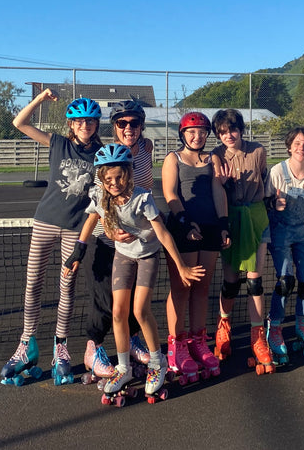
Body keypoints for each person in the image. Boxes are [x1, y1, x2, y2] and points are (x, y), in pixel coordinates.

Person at [64, 143, 205, 398]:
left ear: (128, 174)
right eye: (108, 179)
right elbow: (90, 221)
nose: (114, 183)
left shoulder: (142, 197)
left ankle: (156, 362)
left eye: (119, 177)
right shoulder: (99, 195)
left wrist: (181, 266)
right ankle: (124, 367)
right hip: (123, 256)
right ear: (102, 179)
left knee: (140, 310)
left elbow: (161, 231)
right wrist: (78, 252)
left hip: (147, 256)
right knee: (118, 311)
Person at [0, 89, 103, 386]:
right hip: (45, 222)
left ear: (96, 125)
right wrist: (41, 100)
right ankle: (26, 343)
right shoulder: (58, 143)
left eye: (91, 121)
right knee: (33, 282)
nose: (85, 125)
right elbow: (20, 123)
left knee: (66, 287)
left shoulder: (99, 154)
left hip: (75, 228)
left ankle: (61, 347)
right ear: (71, 124)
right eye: (80, 121)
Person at [81, 100, 155, 383]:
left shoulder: (147, 150)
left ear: (141, 126)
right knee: (104, 299)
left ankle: (133, 341)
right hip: (106, 238)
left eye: (134, 123)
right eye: (122, 124)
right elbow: (99, 202)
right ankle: (93, 349)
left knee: (135, 297)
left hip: (137, 240)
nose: (128, 128)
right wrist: (110, 230)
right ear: (114, 127)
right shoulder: (106, 154)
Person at [162, 112, 231, 383]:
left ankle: (198, 343)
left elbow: (218, 191)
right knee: (181, 288)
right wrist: (184, 222)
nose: (197, 136)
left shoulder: (213, 159)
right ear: (182, 134)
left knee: (202, 288)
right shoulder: (173, 159)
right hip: (184, 229)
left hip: (210, 228)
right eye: (192, 132)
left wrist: (224, 223)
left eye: (202, 132)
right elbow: (170, 193)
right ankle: (176, 347)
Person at [210, 108, 275, 375]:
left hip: (256, 216)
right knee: (231, 281)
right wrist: (224, 183)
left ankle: (258, 337)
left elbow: (265, 178)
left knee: (255, 280)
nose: (229, 135)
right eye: (223, 132)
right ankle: (223, 328)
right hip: (230, 218)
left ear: (241, 129)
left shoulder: (258, 150)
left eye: (233, 130)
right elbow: (215, 188)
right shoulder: (215, 155)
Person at [265, 127, 304, 364]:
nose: (302, 148)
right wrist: (274, 202)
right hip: (280, 231)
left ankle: (303, 324)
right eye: (298, 143)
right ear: (289, 146)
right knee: (285, 281)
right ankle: (276, 327)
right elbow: (264, 200)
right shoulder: (277, 172)